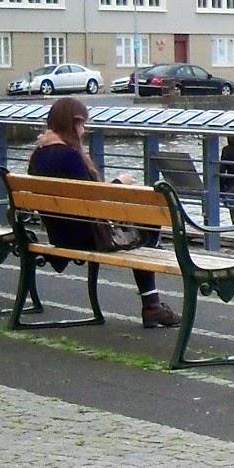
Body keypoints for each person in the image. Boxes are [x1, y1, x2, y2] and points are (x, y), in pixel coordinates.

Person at [29, 97, 178, 329]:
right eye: (82, 124)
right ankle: (152, 305)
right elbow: (97, 199)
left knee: (142, 226)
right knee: (148, 223)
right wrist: (121, 182)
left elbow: (88, 197)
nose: (85, 129)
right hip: (85, 237)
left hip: (59, 233)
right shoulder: (70, 156)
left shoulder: (38, 155)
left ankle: (153, 303)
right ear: (74, 124)